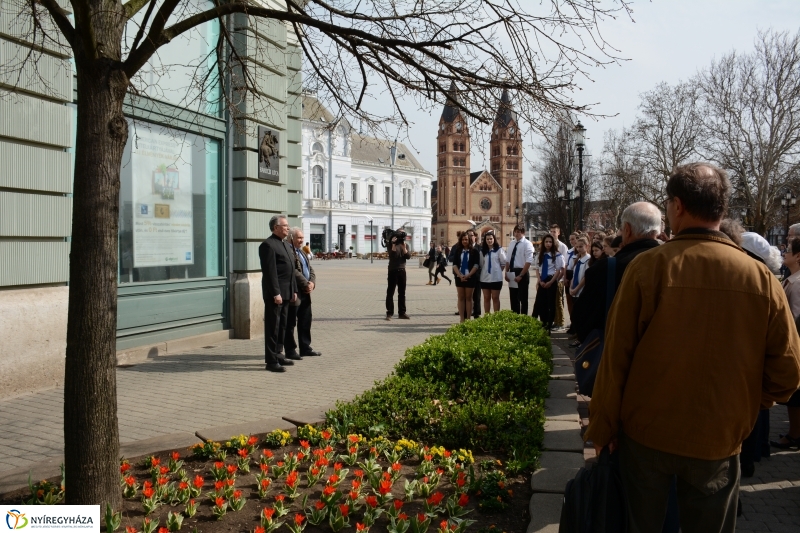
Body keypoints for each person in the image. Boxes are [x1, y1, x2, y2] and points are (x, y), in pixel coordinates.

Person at [585, 163, 800, 532]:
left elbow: (615, 360)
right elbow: (787, 373)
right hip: (718, 438)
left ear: (678, 207)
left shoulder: (648, 268)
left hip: (646, 434)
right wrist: (745, 407)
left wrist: (604, 429)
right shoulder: (760, 276)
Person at [575, 203, 661, 343]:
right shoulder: (678, 263)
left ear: (627, 230)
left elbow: (582, 317)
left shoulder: (605, 268)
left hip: (618, 352)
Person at [771, 236, 800, 450]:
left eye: (788, 250)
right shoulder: (793, 280)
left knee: (796, 396)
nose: (784, 253)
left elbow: (794, 318)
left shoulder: (797, 283)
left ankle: (795, 434)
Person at [259, 215, 298, 373]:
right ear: (275, 228)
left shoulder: (286, 245)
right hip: (275, 295)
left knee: (283, 326)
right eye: (285, 226)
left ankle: (279, 353)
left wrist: (294, 290)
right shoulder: (267, 245)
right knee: (273, 328)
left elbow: (292, 270)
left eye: (288, 226)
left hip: (287, 293)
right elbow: (270, 273)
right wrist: (276, 293)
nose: (288, 228)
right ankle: (271, 360)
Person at [284, 227, 322, 359]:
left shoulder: (302, 252)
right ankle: (290, 350)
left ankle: (305, 347)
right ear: (291, 238)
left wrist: (312, 282)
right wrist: (305, 284)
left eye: (302, 238)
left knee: (305, 321)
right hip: (295, 291)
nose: (301, 240)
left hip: (306, 292)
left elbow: (310, 269)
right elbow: (293, 271)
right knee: (290, 323)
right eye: (299, 238)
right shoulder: (287, 251)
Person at [531, 234, 564, 333]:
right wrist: (539, 280)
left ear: (553, 243)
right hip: (542, 280)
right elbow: (537, 269)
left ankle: (548, 326)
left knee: (551, 304)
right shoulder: (540, 255)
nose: (548, 244)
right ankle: (539, 323)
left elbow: (558, 270)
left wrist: (551, 282)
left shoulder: (557, 255)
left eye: (550, 242)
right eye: (546, 242)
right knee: (539, 304)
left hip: (551, 280)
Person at [504, 225, 534, 314]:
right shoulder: (512, 243)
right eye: (515, 232)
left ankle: (524, 318)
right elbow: (508, 259)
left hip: (522, 271)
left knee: (523, 298)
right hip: (512, 271)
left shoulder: (527, 243)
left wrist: (521, 275)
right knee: (513, 298)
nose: (517, 234)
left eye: (519, 232)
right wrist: (506, 272)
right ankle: (515, 318)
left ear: (523, 233)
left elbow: (529, 261)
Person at [452, 232, 480, 322]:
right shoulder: (458, 250)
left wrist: (469, 275)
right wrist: (460, 275)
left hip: (470, 277)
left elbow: (476, 265)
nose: (464, 241)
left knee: (469, 298)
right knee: (461, 297)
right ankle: (461, 319)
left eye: (466, 239)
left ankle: (468, 318)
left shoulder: (475, 251)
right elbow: (455, 264)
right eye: (463, 239)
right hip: (459, 277)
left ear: (469, 240)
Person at [386, 229, 411, 320]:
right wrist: (393, 244)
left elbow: (408, 257)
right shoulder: (390, 244)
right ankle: (389, 313)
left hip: (402, 270)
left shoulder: (405, 245)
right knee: (390, 292)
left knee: (402, 293)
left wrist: (404, 247)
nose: (401, 236)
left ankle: (402, 313)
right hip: (392, 270)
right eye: (399, 233)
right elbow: (392, 256)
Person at [479, 231, 507, 314]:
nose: (489, 240)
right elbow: (481, 264)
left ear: (494, 239)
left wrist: (497, 271)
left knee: (495, 297)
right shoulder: (482, 251)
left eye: (491, 239)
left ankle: (496, 317)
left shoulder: (499, 250)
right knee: (486, 298)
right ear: (485, 240)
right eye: (487, 239)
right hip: (485, 278)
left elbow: (503, 262)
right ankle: (487, 316)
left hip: (496, 278)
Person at [549, 224, 569, 328]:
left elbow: (564, 264)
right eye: (551, 231)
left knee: (559, 301)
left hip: (559, 278)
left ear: (558, 233)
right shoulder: (549, 244)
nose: (552, 233)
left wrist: (562, 277)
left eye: (554, 232)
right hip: (551, 278)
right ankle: (555, 320)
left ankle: (560, 322)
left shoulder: (562, 246)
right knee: (553, 301)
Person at [468, 229, 482, 318]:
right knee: (468, 296)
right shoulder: (464, 248)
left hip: (477, 275)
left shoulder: (480, 248)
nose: (470, 237)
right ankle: (467, 313)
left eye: (472, 235)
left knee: (477, 295)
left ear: (475, 237)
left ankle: (477, 313)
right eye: (468, 235)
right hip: (466, 275)